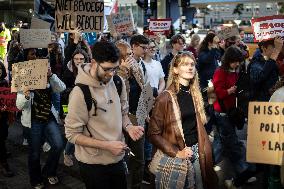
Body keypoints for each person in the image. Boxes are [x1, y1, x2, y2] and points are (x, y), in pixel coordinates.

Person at [64, 41, 144, 189]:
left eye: (115, 68)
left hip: (117, 159)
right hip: (93, 164)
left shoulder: (118, 81)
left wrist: (129, 127)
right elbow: (72, 135)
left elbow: (123, 113)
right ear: (94, 62)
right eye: (107, 69)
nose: (111, 74)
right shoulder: (80, 92)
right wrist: (107, 146)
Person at [148, 52, 218, 189]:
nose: (190, 67)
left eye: (192, 64)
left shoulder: (195, 94)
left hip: (197, 153)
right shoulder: (165, 98)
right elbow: (153, 133)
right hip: (177, 155)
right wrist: (177, 152)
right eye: (185, 64)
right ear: (175, 70)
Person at [16, 51, 66, 189]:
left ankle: (49, 171)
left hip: (48, 117)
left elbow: (62, 88)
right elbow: (19, 106)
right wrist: (25, 93)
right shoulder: (25, 78)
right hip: (33, 120)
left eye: (46, 64)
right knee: (34, 152)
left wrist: (51, 76)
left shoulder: (49, 78)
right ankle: (36, 179)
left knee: (58, 144)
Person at [212, 46, 256, 189]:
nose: (237, 64)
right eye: (235, 62)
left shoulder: (235, 72)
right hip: (222, 113)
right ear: (228, 60)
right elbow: (217, 92)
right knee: (233, 144)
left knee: (221, 143)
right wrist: (229, 91)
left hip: (230, 111)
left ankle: (206, 165)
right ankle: (243, 171)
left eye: (239, 61)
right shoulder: (220, 72)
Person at [116, 35, 149, 189]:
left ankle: (136, 185)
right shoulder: (114, 73)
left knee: (139, 159)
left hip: (138, 117)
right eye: (127, 55)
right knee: (120, 157)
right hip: (121, 120)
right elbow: (115, 94)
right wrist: (123, 72)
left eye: (131, 54)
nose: (131, 57)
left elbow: (143, 90)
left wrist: (146, 111)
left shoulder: (137, 68)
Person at [61, 48, 89, 167]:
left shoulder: (89, 71)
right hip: (71, 105)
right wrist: (65, 112)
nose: (79, 61)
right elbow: (63, 94)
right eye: (76, 59)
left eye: (81, 59)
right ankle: (67, 153)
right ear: (72, 59)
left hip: (86, 105)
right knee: (75, 132)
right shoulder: (67, 72)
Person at [0, 60, 14, 177]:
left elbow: (8, 99)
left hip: (3, 117)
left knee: (3, 136)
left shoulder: (4, 82)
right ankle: (4, 164)